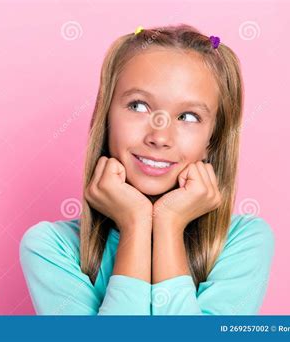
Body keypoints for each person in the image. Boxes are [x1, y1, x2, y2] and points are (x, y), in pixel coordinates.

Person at [20, 24, 275, 315]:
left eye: (188, 116)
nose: (160, 137)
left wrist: (168, 223)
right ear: (106, 118)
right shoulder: (50, 248)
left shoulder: (244, 241)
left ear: (211, 141)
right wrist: (136, 224)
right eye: (139, 106)